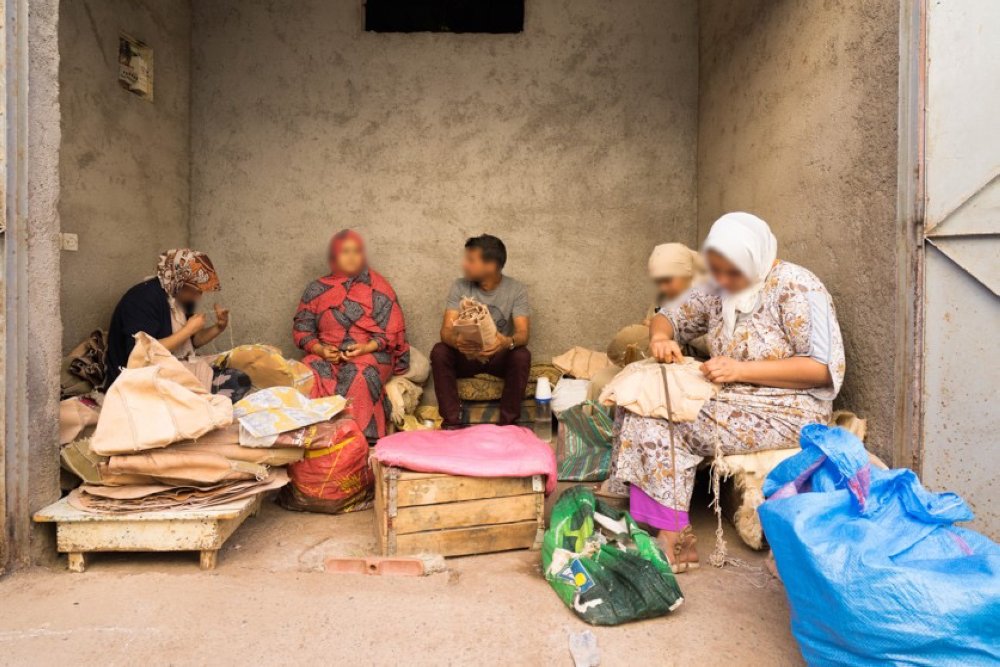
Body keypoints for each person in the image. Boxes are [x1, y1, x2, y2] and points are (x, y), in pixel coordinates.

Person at [613, 212, 845, 572]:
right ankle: (661, 524)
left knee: (665, 417)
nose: (722, 280)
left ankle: (673, 540)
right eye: (716, 270)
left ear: (754, 258)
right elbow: (669, 315)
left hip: (790, 407)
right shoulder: (720, 284)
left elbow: (820, 369)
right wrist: (660, 338)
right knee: (641, 397)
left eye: (731, 272)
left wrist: (741, 370)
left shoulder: (798, 287)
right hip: (732, 392)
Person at [294, 230, 410, 442]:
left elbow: (393, 333)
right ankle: (318, 442)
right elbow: (302, 329)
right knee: (307, 372)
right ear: (333, 256)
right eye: (345, 252)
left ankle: (359, 442)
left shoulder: (378, 287)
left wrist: (365, 348)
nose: (351, 257)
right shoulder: (316, 289)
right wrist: (321, 350)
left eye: (357, 251)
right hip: (327, 355)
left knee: (358, 373)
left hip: (372, 353)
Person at [431, 234, 531, 428]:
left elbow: (523, 334)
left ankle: (508, 425)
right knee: (440, 351)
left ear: (491, 265)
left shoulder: (516, 289)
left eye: (470, 260)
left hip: (497, 356)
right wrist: (456, 341)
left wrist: (506, 342)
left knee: (521, 355)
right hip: (466, 355)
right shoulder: (460, 286)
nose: (464, 264)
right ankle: (451, 423)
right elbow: (445, 331)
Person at [105, 249, 229, 388]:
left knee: (237, 378)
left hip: (172, 369)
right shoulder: (142, 299)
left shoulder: (181, 299)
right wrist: (187, 330)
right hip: (138, 380)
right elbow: (140, 356)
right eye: (195, 290)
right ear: (179, 281)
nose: (198, 297)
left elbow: (191, 341)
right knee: (224, 387)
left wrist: (218, 327)